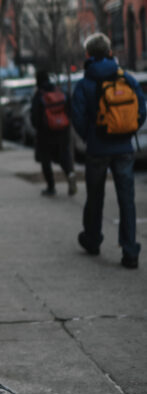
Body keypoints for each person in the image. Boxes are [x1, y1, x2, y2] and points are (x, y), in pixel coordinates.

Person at [71, 32, 146, 269]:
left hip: (97, 147)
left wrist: (90, 137)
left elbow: (78, 116)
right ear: (110, 52)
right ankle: (130, 250)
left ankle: (92, 240)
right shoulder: (127, 78)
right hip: (124, 147)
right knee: (127, 200)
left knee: (95, 196)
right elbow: (142, 108)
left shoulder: (86, 82)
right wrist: (127, 130)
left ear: (89, 55)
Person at [30, 70, 77, 197]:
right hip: (62, 130)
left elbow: (34, 116)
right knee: (63, 156)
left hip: (45, 133)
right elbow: (70, 109)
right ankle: (70, 175)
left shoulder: (39, 95)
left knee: (46, 160)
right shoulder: (59, 91)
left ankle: (51, 187)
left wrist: (38, 127)